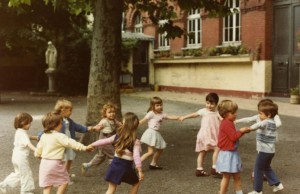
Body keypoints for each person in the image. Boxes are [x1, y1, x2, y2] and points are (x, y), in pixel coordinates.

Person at [35, 112, 93, 194]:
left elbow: (39, 148)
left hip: (44, 163)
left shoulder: (44, 136)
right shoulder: (60, 136)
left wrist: (37, 155)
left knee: (47, 185)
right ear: (55, 125)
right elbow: (72, 143)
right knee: (64, 181)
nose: (62, 125)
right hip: (55, 163)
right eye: (60, 123)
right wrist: (84, 148)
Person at [89, 112, 144, 194]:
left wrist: (92, 144)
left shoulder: (116, 136)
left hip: (114, 165)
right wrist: (139, 170)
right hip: (126, 167)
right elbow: (136, 156)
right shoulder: (135, 141)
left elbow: (104, 141)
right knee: (136, 183)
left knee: (111, 189)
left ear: (124, 123)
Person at [235, 98, 282, 181]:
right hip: (260, 139)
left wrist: (270, 125)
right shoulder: (259, 116)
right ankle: (258, 172)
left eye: (262, 111)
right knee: (261, 156)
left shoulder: (274, 116)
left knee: (265, 157)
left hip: (269, 140)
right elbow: (248, 119)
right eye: (259, 111)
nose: (260, 113)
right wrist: (236, 121)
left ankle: (259, 172)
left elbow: (278, 124)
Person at [179, 92, 222, 177]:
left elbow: (223, 120)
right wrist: (184, 117)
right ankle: (215, 168)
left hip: (208, 135)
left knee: (203, 152)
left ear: (216, 104)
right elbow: (194, 114)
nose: (209, 105)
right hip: (206, 135)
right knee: (216, 148)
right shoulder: (204, 111)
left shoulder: (217, 113)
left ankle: (199, 169)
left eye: (212, 104)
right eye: (207, 103)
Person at [247, 102, 284, 194]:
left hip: (264, 151)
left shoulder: (265, 121)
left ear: (268, 115)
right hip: (271, 151)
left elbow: (257, 125)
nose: (259, 115)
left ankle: (257, 191)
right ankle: (278, 184)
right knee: (266, 167)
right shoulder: (272, 122)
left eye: (261, 113)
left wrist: (248, 128)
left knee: (258, 169)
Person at [216, 100, 251, 194]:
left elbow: (233, 136)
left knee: (237, 176)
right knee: (227, 177)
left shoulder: (228, 122)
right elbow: (233, 137)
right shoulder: (227, 123)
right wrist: (242, 131)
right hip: (227, 154)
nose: (236, 114)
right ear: (225, 113)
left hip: (231, 153)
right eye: (233, 112)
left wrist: (242, 132)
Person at [53, 99, 93, 178]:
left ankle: (66, 174)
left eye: (71, 110)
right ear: (62, 110)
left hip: (69, 143)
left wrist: (87, 129)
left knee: (69, 159)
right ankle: (60, 177)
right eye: (69, 110)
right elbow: (48, 129)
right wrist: (40, 136)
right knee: (61, 160)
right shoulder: (56, 120)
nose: (71, 112)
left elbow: (77, 127)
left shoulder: (69, 120)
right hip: (61, 144)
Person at [81, 103, 122, 175]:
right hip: (104, 141)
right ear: (105, 113)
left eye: (113, 112)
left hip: (110, 140)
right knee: (113, 154)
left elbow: (120, 125)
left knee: (101, 157)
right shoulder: (104, 121)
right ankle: (113, 171)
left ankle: (87, 165)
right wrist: (95, 128)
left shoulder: (114, 120)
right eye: (109, 112)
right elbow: (98, 126)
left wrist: (126, 126)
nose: (112, 114)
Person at [0, 113, 36, 194]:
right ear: (23, 123)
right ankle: (25, 191)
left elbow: (27, 136)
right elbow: (28, 144)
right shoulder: (23, 133)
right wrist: (36, 150)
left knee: (19, 174)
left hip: (15, 156)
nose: (30, 125)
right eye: (29, 123)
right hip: (21, 158)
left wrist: (35, 137)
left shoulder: (19, 131)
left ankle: (3, 185)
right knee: (26, 173)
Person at [139, 96, 179, 170]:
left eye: (160, 105)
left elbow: (169, 117)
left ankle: (153, 164)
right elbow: (143, 120)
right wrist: (133, 125)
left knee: (160, 149)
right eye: (157, 105)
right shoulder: (151, 113)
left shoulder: (162, 114)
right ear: (152, 106)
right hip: (150, 133)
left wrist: (178, 118)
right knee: (150, 152)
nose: (159, 106)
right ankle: (136, 164)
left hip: (156, 133)